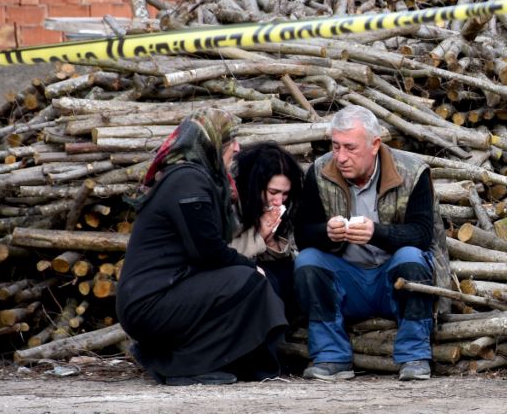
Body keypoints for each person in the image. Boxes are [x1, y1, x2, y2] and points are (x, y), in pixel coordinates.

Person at [116, 109, 287, 386]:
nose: (237, 147)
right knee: (247, 280)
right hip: (150, 302)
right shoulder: (188, 181)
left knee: (248, 279)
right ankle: (180, 366)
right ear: (211, 143)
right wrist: (250, 266)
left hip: (167, 291)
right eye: (230, 140)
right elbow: (207, 251)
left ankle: (222, 363)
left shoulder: (198, 178)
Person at [293, 105, 449, 382]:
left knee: (412, 257)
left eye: (350, 148)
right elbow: (303, 233)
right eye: (336, 146)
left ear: (375, 144)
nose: (340, 157)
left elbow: (423, 234)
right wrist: (326, 232)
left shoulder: (413, 172)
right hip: (347, 281)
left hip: (392, 281)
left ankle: (414, 354)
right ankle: (331, 356)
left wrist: (376, 233)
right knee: (307, 261)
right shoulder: (319, 172)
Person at [230, 141, 305, 320]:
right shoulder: (231, 201)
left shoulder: (285, 206)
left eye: (285, 194)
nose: (279, 200)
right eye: (273, 192)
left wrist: (272, 242)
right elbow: (220, 252)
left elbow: (291, 247)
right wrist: (258, 237)